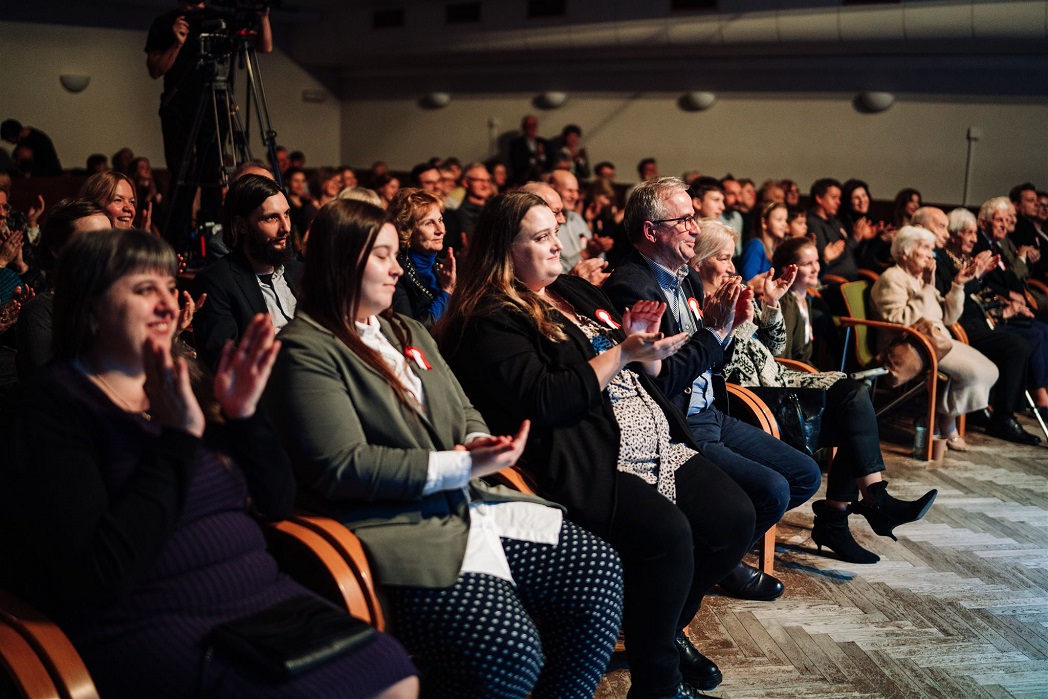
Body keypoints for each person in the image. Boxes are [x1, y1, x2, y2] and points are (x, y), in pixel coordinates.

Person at [0, 228, 418, 699]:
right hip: (155, 621)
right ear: (90, 307)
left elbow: (276, 502)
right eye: (144, 289)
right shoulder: (52, 409)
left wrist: (244, 416)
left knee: (391, 666)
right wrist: (177, 439)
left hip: (264, 601)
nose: (168, 305)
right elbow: (100, 575)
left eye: (169, 288)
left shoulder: (191, 380)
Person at [263, 198, 623, 699]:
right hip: (400, 527)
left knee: (597, 572)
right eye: (382, 256)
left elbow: (464, 407)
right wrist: (462, 463)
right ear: (340, 262)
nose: (397, 269)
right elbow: (345, 467)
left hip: (470, 502)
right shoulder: (305, 348)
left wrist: (479, 441)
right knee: (510, 651)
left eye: (395, 254)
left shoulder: (406, 329)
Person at [438, 191, 755, 698]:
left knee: (735, 518)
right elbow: (546, 399)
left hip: (654, 433)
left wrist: (644, 346)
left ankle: (662, 626)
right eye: (541, 237)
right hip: (591, 453)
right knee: (670, 536)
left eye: (555, 231)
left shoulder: (572, 290)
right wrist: (623, 353)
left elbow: (646, 366)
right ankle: (657, 682)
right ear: (504, 250)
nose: (556, 244)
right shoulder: (490, 316)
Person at [604, 177, 819, 603]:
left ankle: (721, 559)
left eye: (693, 218)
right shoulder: (631, 286)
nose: (694, 228)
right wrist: (716, 332)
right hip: (677, 422)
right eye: (683, 220)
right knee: (772, 490)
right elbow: (661, 381)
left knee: (804, 475)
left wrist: (729, 329)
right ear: (651, 231)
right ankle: (689, 586)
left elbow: (709, 358)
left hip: (710, 410)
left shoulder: (683, 276)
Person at [692, 219, 937, 564]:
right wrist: (734, 324)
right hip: (749, 396)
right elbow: (715, 366)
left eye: (732, 258)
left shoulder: (732, 291)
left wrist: (771, 304)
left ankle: (859, 507)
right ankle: (857, 511)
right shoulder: (695, 305)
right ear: (697, 261)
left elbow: (776, 346)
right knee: (850, 407)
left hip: (777, 379)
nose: (732, 267)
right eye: (723, 258)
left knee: (854, 395)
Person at [145, 0, 273, 245]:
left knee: (214, 172)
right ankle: (178, 240)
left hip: (216, 102)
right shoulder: (166, 22)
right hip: (178, 106)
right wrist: (177, 43)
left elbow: (265, 47)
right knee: (183, 171)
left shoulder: (221, 16)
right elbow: (155, 69)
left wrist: (262, 16)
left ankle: (215, 236)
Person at [870, 226, 999, 450]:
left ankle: (940, 417)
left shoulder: (920, 279)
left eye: (931, 249)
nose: (931, 255)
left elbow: (949, 317)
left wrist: (958, 285)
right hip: (912, 344)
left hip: (936, 341)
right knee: (974, 373)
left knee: (990, 370)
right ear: (904, 252)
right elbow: (900, 321)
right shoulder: (892, 278)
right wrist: (928, 289)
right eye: (925, 248)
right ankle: (946, 422)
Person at [936, 207, 1043, 443]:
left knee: (1028, 335)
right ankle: (1004, 417)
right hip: (960, 327)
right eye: (969, 233)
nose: (975, 239)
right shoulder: (942, 260)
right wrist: (976, 276)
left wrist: (1000, 305)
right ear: (954, 235)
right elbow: (950, 298)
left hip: (980, 320)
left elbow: (979, 294)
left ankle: (986, 407)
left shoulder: (962, 259)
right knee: (1017, 346)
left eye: (975, 233)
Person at [191, 174, 302, 368]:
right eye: (271, 218)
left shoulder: (300, 272)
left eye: (286, 214)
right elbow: (223, 363)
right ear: (242, 225)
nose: (285, 228)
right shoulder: (216, 282)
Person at [15, 199, 111, 378]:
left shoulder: (114, 305)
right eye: (93, 240)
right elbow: (51, 383)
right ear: (57, 248)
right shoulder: (38, 312)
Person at [388, 187, 456, 328]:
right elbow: (411, 329)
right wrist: (446, 292)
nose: (440, 230)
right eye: (429, 223)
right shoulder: (396, 273)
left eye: (440, 220)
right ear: (407, 231)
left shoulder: (443, 267)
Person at [738, 201, 788, 283]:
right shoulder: (755, 246)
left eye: (785, 220)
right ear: (764, 222)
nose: (784, 224)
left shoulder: (775, 248)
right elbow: (749, 281)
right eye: (779, 220)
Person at [508, 114, 549, 185]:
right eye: (529, 125)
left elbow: (549, 161)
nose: (532, 128)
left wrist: (541, 155)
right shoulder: (516, 144)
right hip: (524, 177)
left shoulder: (543, 142)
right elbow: (517, 164)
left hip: (543, 177)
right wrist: (535, 157)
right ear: (524, 127)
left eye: (534, 125)